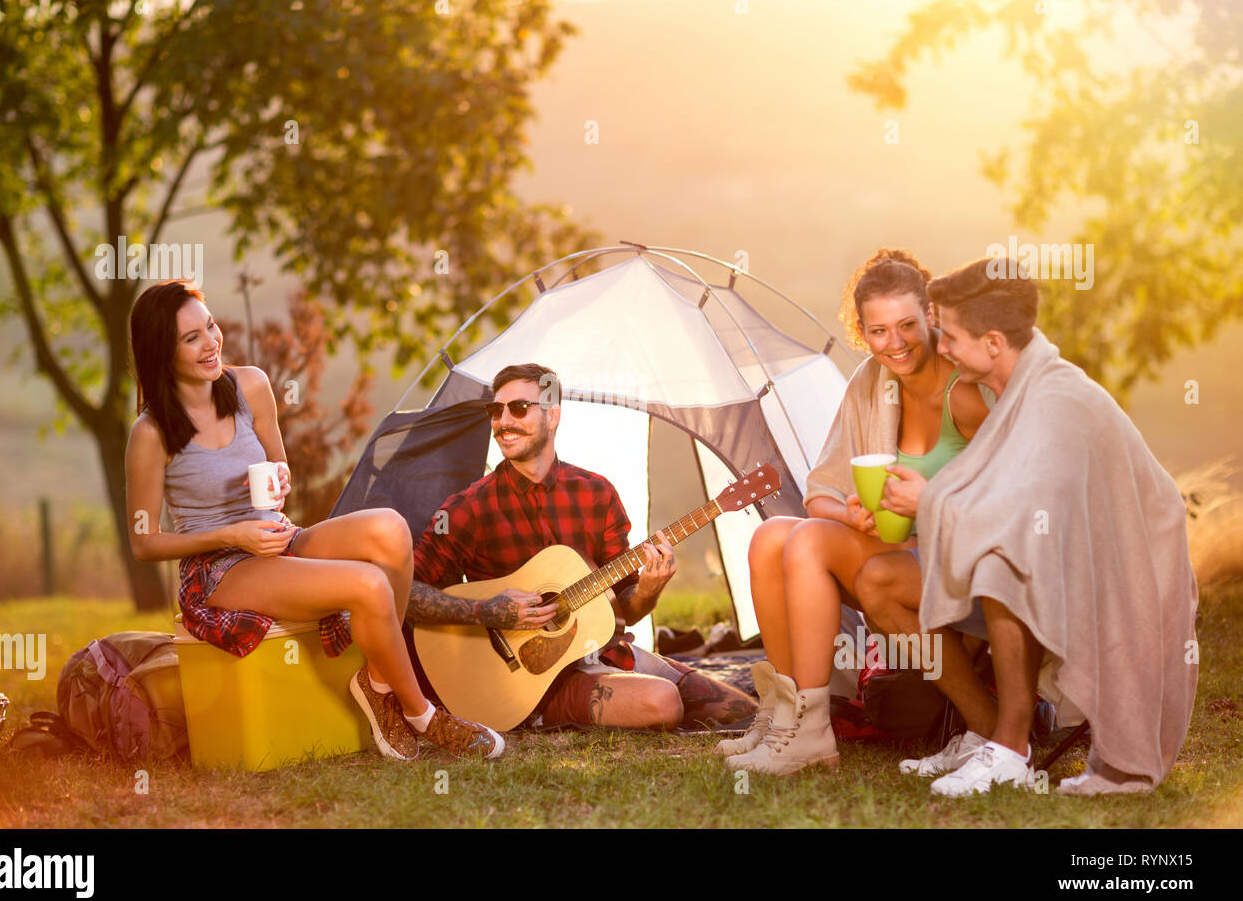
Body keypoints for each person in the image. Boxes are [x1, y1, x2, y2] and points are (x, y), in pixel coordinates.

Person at [856, 258, 1197, 796]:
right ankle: (987, 734)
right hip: (1069, 562)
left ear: (993, 343)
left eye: (952, 337)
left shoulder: (1054, 400)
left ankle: (1010, 751)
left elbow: (1029, 520)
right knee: (893, 576)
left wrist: (929, 499)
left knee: (1002, 559)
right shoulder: (1020, 385)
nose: (940, 347)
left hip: (1121, 583)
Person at [125, 281, 505, 761]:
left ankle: (378, 683)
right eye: (191, 338)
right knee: (368, 585)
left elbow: (280, 466)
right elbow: (143, 542)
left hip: (275, 538)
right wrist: (232, 534)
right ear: (163, 351)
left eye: (211, 326)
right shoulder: (151, 432)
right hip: (219, 568)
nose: (211, 343)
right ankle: (423, 715)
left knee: (390, 527)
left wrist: (280, 482)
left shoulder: (250, 386)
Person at [719, 250, 991, 775]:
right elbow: (820, 491)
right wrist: (854, 515)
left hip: (959, 553)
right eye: (880, 331)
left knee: (805, 541)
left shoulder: (967, 383)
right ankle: (785, 716)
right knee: (773, 533)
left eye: (908, 325)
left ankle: (813, 729)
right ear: (862, 333)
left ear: (931, 314)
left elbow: (1005, 489)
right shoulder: (870, 383)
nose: (897, 343)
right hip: (893, 549)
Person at [408, 363, 757, 730]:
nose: (504, 421)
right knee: (663, 702)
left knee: (740, 709)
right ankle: (541, 716)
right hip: (523, 684)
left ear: (553, 415)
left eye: (519, 408)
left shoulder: (597, 494)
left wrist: (649, 591)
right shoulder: (468, 508)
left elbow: (620, 612)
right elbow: (408, 594)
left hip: (600, 652)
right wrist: (487, 612)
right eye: (496, 410)